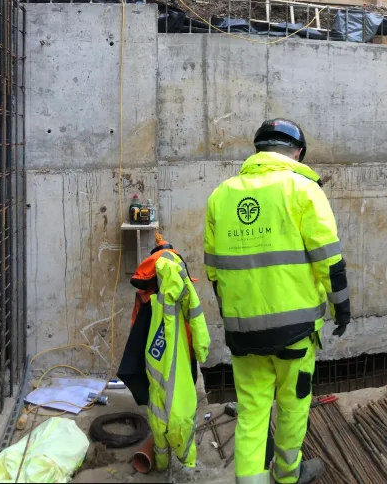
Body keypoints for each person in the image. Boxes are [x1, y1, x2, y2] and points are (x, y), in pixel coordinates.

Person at [203, 118, 344, 484]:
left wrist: (235, 315)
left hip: (244, 332)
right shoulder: (303, 189)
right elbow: (330, 258)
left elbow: (214, 271)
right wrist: (341, 305)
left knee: (252, 411)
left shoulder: (221, 195)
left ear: (258, 149)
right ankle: (286, 475)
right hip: (294, 334)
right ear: (297, 153)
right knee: (293, 407)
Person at [124, 234, 211, 473]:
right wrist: (200, 350)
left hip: (157, 360)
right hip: (178, 356)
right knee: (179, 410)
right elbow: (196, 317)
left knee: (158, 407)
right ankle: (178, 457)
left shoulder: (149, 287)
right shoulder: (179, 277)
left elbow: (136, 326)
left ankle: (162, 462)